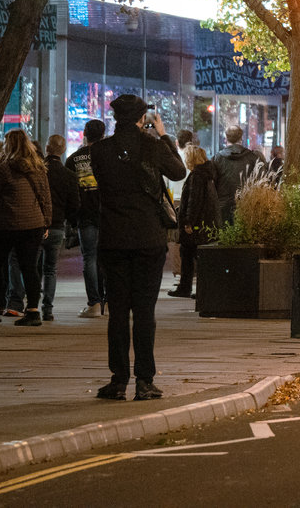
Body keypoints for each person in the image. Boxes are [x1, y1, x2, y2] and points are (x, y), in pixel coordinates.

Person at [90, 94, 186, 400]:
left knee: (118, 312)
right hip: (148, 238)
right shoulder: (152, 146)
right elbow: (179, 172)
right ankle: (145, 380)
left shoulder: (101, 150)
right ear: (142, 117)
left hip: (114, 239)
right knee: (145, 311)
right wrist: (164, 135)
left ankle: (118, 380)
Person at [0, 129, 52, 327]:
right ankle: (33, 312)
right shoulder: (38, 167)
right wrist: (47, 221)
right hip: (34, 224)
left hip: (7, 225)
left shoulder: (3, 168)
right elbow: (45, 197)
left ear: (8, 145)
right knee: (29, 268)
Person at [66, 119, 107, 317]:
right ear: (103, 134)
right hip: (107, 214)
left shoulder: (73, 159)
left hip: (84, 214)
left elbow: (69, 191)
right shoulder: (109, 157)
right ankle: (108, 300)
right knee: (108, 258)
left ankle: (94, 303)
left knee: (89, 257)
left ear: (84, 133)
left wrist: (72, 216)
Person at [168, 145, 219, 299]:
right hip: (205, 222)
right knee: (193, 255)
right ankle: (196, 288)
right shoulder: (207, 174)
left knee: (189, 256)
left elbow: (193, 200)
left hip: (196, 224)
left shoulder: (197, 176)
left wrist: (189, 222)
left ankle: (188, 288)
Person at [40, 134, 80, 320]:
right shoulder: (69, 176)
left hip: (36, 224)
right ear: (63, 150)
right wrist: (72, 223)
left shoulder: (38, 171)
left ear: (47, 148)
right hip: (56, 226)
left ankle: (29, 304)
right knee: (50, 268)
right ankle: (47, 308)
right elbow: (74, 205)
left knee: (31, 265)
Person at [210, 126, 262, 226]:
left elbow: (212, 183)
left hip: (223, 206)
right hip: (246, 205)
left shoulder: (217, 158)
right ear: (241, 138)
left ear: (226, 138)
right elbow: (259, 181)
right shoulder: (252, 157)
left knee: (224, 237)